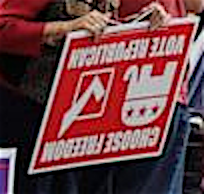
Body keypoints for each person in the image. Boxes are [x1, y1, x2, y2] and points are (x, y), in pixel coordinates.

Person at [0, 0, 203, 194]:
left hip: (124, 110)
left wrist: (140, 26)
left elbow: (196, 5)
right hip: (52, 119)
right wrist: (63, 29)